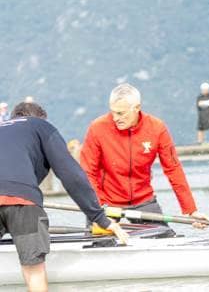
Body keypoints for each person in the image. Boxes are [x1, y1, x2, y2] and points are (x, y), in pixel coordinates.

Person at [1, 101, 128, 290]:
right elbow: (72, 177)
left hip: (18, 198)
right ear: (40, 119)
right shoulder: (41, 126)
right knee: (33, 271)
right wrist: (100, 218)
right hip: (24, 203)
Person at [80, 83, 209, 230]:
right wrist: (99, 209)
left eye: (121, 113)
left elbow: (173, 169)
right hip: (106, 203)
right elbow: (87, 172)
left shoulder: (157, 128)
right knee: (101, 241)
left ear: (137, 108)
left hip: (143, 200)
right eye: (113, 112)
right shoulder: (97, 128)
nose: (115, 118)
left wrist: (191, 210)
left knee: (163, 237)